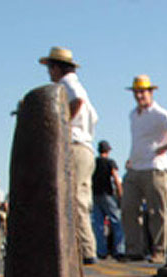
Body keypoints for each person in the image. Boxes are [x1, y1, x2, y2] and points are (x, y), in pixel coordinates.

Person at [40, 47, 99, 264]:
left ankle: (84, 250)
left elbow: (77, 101)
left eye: (50, 68)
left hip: (74, 145)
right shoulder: (76, 85)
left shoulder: (67, 85)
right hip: (85, 146)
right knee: (81, 198)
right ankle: (85, 246)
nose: (49, 73)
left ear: (56, 67)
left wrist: (61, 125)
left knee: (73, 198)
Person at [122, 75, 167, 262]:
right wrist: (131, 158)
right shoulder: (133, 114)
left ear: (151, 92)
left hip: (155, 167)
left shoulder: (159, 114)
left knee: (157, 210)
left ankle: (160, 250)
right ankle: (134, 249)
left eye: (143, 92)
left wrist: (165, 148)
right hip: (135, 167)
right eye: (136, 92)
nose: (139, 96)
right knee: (128, 208)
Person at [92, 140, 124, 260]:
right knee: (117, 222)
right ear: (108, 150)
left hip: (95, 194)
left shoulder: (94, 162)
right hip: (107, 194)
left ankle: (101, 251)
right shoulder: (110, 162)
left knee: (98, 225)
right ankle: (119, 250)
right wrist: (120, 193)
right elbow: (115, 177)